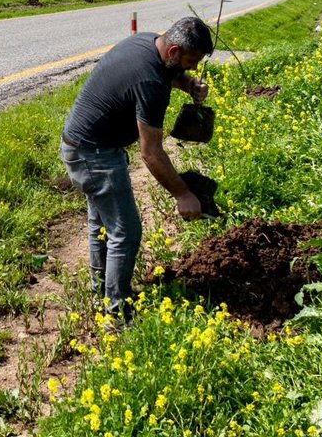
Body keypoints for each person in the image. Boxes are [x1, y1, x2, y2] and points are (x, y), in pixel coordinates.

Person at [59, 16, 213, 321]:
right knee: (125, 231)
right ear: (173, 52)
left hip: (82, 144)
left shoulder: (147, 42)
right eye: (190, 62)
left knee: (101, 222)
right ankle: (117, 311)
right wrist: (183, 194)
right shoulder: (151, 84)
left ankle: (100, 290)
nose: (193, 68)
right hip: (93, 154)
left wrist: (187, 83)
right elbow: (151, 153)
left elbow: (168, 74)